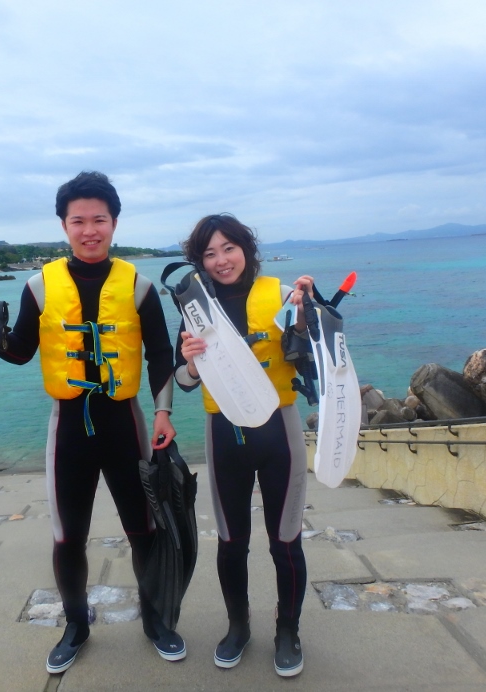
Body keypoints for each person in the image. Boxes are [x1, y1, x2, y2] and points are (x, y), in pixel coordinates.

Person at [0, 171, 182, 674]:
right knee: (68, 537)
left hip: (125, 424)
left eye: (98, 220)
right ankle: (76, 626)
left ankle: (156, 621)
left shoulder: (139, 286)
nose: (89, 230)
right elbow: (20, 350)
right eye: (78, 221)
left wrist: (164, 412)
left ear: (114, 223)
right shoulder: (39, 286)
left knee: (144, 530)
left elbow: (160, 353)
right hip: (68, 429)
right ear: (64, 225)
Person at [173, 213, 312, 678]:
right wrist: (192, 364)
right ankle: (238, 626)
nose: (221, 260)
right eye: (209, 253)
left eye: (228, 248)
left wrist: (307, 314)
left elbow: (312, 357)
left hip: (280, 431)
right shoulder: (195, 308)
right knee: (231, 543)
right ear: (200, 262)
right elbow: (182, 380)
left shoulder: (282, 295)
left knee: (285, 541)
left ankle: (288, 630)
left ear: (246, 249)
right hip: (224, 434)